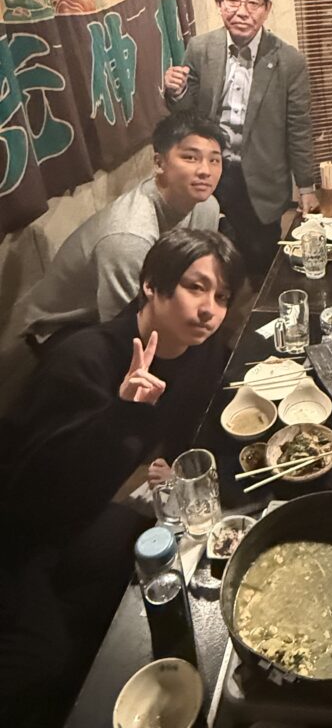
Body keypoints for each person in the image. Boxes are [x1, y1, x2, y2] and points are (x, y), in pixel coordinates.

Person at [0, 228, 243, 727]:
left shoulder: (199, 350)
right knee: (44, 664)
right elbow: (37, 491)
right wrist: (123, 418)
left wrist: (168, 464)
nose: (210, 310)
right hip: (29, 539)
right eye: (195, 287)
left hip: (109, 516)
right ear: (150, 285)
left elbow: (185, 434)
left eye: (221, 297)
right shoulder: (82, 359)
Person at [164, 0, 318, 280]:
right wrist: (177, 92)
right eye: (233, 0)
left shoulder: (289, 62)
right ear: (219, 3)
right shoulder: (200, 49)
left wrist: (306, 186)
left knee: (262, 261)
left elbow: (299, 129)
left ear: (267, 8)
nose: (242, 11)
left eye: (253, 2)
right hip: (212, 172)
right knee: (209, 258)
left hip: (261, 179)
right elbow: (187, 117)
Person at [22, 111, 225, 353]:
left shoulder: (207, 206)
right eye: (190, 158)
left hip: (141, 307)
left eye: (214, 160)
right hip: (67, 329)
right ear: (159, 163)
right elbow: (129, 328)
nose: (205, 171)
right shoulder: (129, 238)